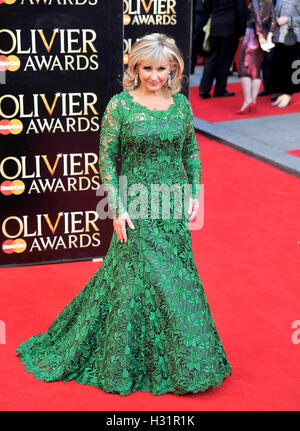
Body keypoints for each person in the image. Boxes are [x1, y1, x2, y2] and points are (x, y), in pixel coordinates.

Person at [16, 33, 232, 397]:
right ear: (135, 68)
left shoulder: (180, 104)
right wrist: (116, 209)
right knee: (138, 278)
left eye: (161, 68)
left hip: (172, 205)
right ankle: (125, 360)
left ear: (173, 69)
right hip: (136, 207)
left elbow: (191, 152)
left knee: (177, 279)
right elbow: (106, 161)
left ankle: (184, 359)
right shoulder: (120, 106)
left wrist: (196, 191)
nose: (153, 76)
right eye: (146, 68)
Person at [199, 0, 247, 98]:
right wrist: (243, 30)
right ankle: (219, 90)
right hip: (230, 27)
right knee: (225, 61)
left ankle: (204, 88)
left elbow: (206, 5)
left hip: (215, 25)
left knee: (211, 58)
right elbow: (242, 10)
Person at [237, 0, 277, 113]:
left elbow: (256, 18)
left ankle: (247, 101)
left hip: (252, 35)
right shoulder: (269, 2)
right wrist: (268, 36)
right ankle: (252, 101)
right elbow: (273, 19)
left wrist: (260, 37)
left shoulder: (255, 1)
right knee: (256, 69)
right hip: (263, 37)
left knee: (244, 69)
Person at [268, 0, 300, 107]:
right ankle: (282, 93)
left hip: (293, 38)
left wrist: (288, 20)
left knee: (291, 67)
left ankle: (288, 94)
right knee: (281, 66)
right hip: (279, 38)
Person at [191, 0, 210, 73]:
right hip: (201, 10)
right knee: (196, 38)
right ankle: (192, 65)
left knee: (199, 37)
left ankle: (205, 59)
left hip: (209, 10)